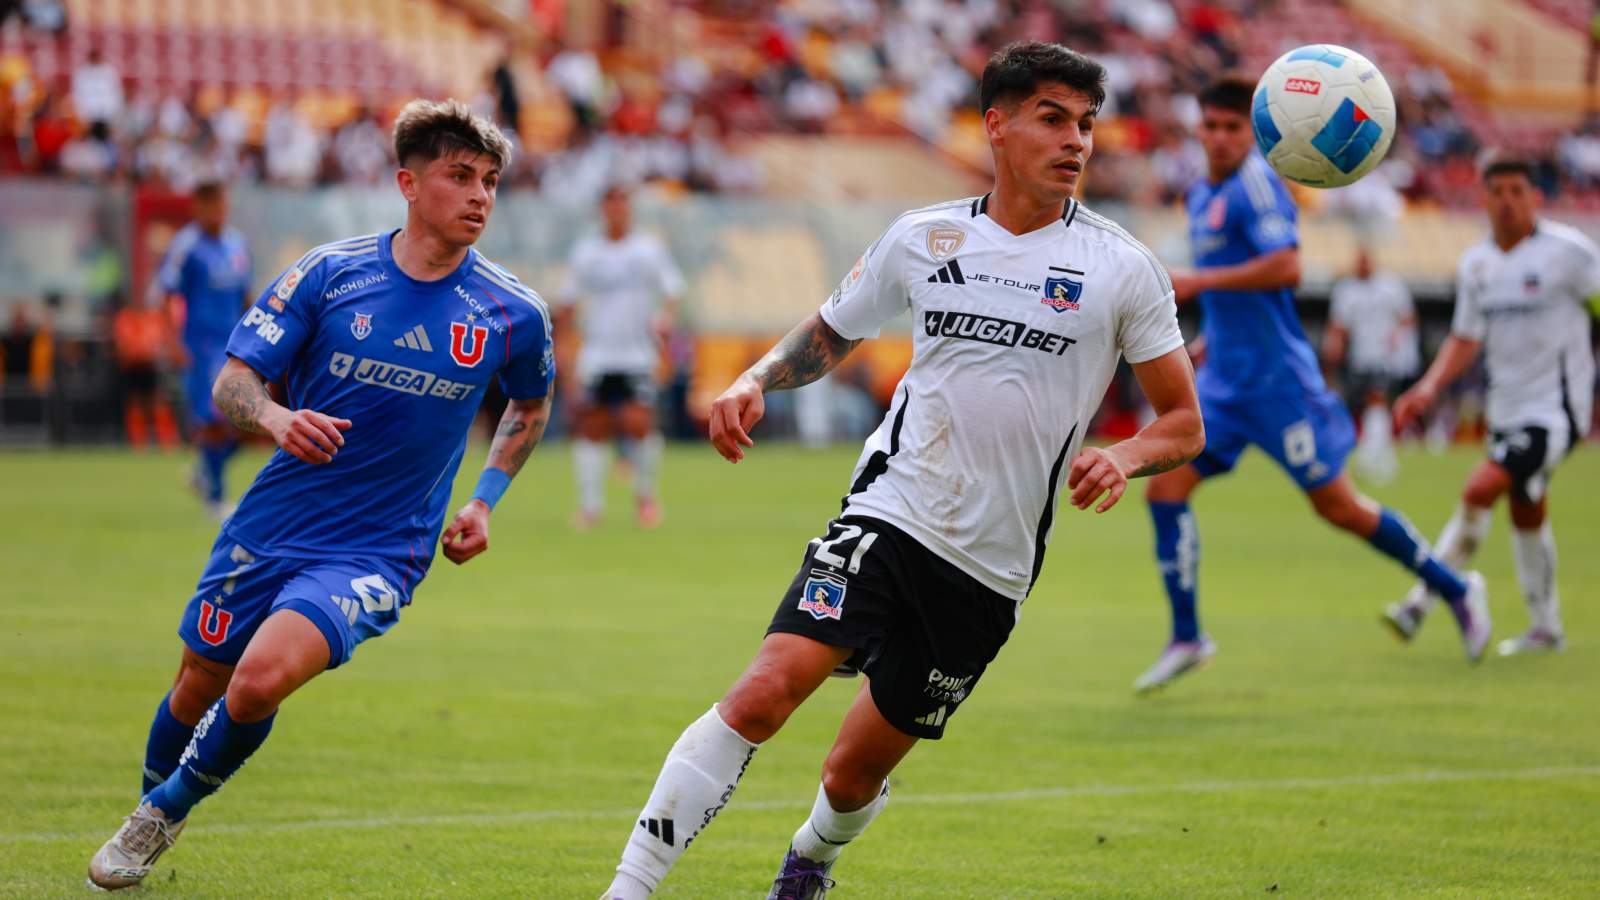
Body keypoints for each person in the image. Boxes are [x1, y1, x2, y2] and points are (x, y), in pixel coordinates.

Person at [600, 42, 1205, 899]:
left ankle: (812, 861)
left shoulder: (1124, 268)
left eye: (1086, 124)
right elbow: (831, 330)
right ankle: (627, 889)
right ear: (996, 125)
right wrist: (755, 378)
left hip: (991, 569)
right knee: (764, 693)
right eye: (1053, 119)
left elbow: (1183, 422)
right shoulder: (924, 238)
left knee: (851, 777)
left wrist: (1124, 455)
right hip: (892, 514)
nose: (1076, 140)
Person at [87, 99, 556, 890]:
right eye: (460, 176)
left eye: (490, 181)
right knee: (199, 680)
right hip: (271, 525)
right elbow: (234, 381)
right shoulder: (329, 274)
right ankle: (151, 815)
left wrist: (483, 500)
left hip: (380, 549)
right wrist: (275, 418)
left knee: (258, 679)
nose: (480, 195)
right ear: (408, 184)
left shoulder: (514, 312)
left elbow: (530, 406)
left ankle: (158, 816)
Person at [1134, 75, 1490, 694]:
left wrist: (1197, 283)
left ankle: (1455, 587)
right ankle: (1187, 636)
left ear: (1253, 133)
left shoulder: (1256, 184)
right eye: (1210, 127)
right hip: (1223, 383)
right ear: (1198, 129)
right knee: (1165, 489)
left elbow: (1288, 267)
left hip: (1279, 385)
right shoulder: (1199, 194)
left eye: (1232, 127)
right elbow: (1239, 287)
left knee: (1339, 507)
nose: (1220, 138)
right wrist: (1210, 337)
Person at [1388, 155, 1596, 655]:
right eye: (1497, 192)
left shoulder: (1570, 253)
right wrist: (1428, 387)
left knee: (1481, 487)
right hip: (1506, 411)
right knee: (1527, 508)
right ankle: (1546, 628)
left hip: (1556, 411)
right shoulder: (1476, 264)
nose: (1507, 202)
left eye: (1516, 191)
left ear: (1535, 197)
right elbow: (1465, 338)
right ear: (1482, 198)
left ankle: (1426, 599)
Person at [557, 184, 684, 529]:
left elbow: (673, 291)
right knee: (592, 427)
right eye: (611, 202)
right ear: (602, 208)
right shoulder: (586, 252)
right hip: (596, 354)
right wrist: (564, 348)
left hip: (637, 354)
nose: (617, 209)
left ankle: (646, 499)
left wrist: (665, 321)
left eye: (622, 202)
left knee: (639, 424)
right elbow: (567, 303)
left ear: (630, 208)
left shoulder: (648, 249)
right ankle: (590, 507)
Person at [153, 182, 252, 517]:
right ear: (197, 208)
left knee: (247, 421)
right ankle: (216, 497)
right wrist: (172, 342)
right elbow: (166, 295)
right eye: (211, 206)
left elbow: (247, 295)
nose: (218, 212)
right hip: (201, 346)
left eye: (222, 205)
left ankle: (204, 471)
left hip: (235, 344)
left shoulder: (237, 244)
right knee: (213, 420)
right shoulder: (186, 245)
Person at [1322, 246, 1419, 484]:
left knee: (1377, 399)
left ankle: (1368, 457)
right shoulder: (1346, 290)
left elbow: (1407, 317)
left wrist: (1398, 337)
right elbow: (1339, 326)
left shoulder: (1391, 285)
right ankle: (1384, 455)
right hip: (1360, 357)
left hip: (1387, 357)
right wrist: (1334, 348)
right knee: (1370, 405)